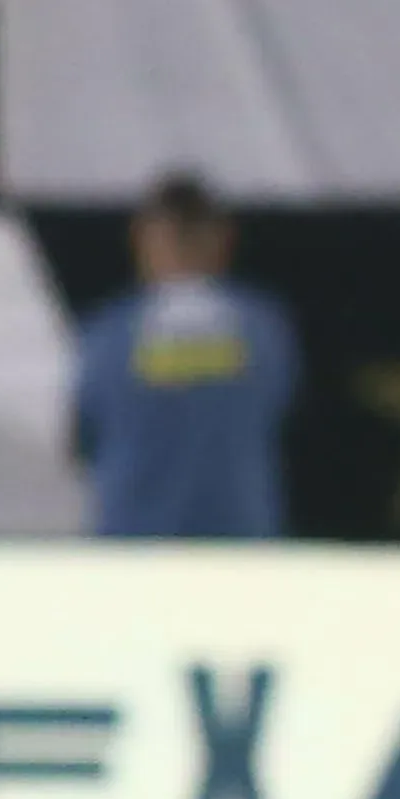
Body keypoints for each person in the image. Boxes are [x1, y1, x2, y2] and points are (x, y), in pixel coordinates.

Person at [69, 175, 298, 538]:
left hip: (134, 541)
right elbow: (278, 407)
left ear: (144, 239)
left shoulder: (111, 333)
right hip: (237, 537)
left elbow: (82, 436)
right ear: (221, 240)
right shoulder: (263, 330)